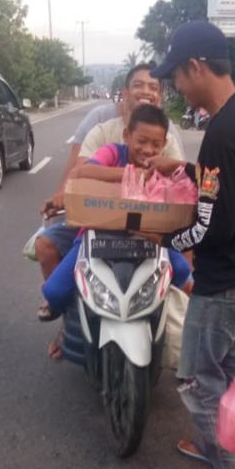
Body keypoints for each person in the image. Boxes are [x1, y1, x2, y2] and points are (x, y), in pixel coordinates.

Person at [146, 20, 235, 469]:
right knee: (226, 367)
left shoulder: (221, 131)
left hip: (227, 280)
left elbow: (212, 226)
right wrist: (185, 172)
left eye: (177, 75)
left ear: (196, 67)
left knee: (197, 378)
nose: (176, 86)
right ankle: (217, 439)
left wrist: (164, 238)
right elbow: (231, 186)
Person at [35, 64, 184, 327]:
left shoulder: (167, 158)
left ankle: (182, 325)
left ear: (164, 144)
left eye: (156, 144)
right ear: (127, 136)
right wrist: (130, 175)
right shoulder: (112, 149)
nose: (148, 150)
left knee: (184, 272)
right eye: (141, 141)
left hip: (148, 236)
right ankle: (71, 325)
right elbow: (83, 171)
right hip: (97, 234)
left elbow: (183, 193)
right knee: (55, 292)